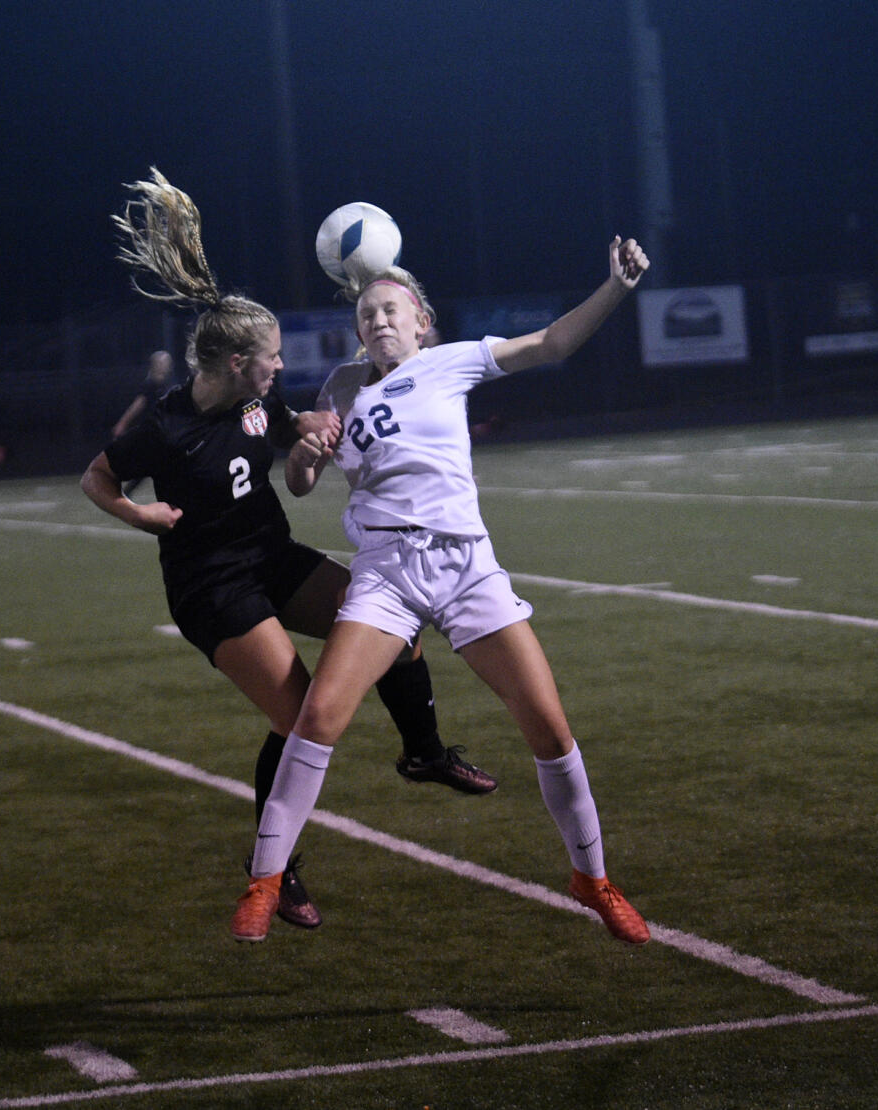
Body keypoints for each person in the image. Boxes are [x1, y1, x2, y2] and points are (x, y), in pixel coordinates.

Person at [81, 169, 497, 933]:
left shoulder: (253, 397)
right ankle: (275, 867)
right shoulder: (165, 428)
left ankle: (425, 751)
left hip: (273, 557)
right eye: (269, 358)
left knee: (391, 619)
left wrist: (310, 428)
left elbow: (283, 426)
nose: (279, 365)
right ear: (236, 364)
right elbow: (96, 477)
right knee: (302, 711)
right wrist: (136, 514)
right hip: (214, 590)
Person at [231, 235, 653, 946]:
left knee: (547, 727)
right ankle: (265, 881)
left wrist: (616, 287)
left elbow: (552, 343)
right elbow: (304, 483)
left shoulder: (453, 362)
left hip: (466, 566)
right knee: (321, 717)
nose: (379, 323)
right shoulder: (339, 389)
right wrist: (304, 458)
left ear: (423, 321)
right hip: (386, 572)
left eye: (392, 312)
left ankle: (593, 879)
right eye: (368, 317)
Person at [113, 349, 176, 438]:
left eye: (166, 365)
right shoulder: (149, 386)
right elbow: (138, 404)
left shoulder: (169, 386)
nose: (164, 368)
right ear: (154, 367)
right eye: (160, 365)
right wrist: (122, 423)